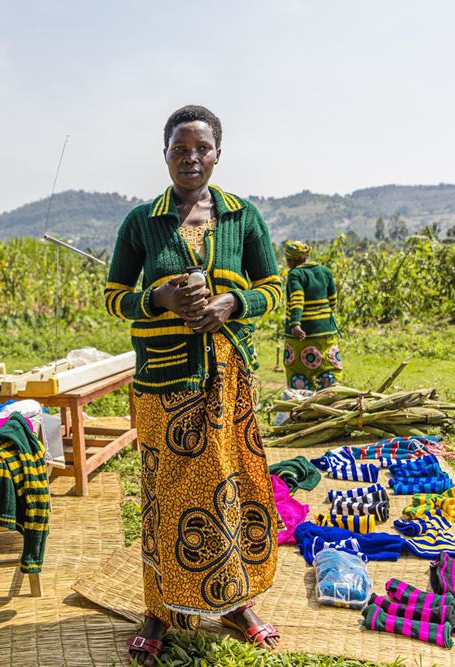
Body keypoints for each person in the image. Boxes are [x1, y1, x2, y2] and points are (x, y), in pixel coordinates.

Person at [103, 105, 284, 664]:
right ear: (164, 155)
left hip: (227, 380)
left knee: (233, 484)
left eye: (201, 148)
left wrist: (234, 303)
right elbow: (114, 296)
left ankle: (235, 603)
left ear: (217, 154)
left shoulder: (242, 217)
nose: (191, 158)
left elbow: (273, 287)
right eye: (180, 149)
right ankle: (160, 610)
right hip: (164, 383)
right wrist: (158, 298)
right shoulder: (142, 222)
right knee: (166, 494)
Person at [282, 241, 342, 391]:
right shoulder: (325, 271)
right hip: (326, 330)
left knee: (299, 367)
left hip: (303, 333)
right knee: (327, 364)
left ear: (290, 260)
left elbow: (297, 299)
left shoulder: (295, 274)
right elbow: (333, 300)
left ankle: (303, 398)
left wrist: (295, 324)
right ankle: (329, 395)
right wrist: (324, 317)